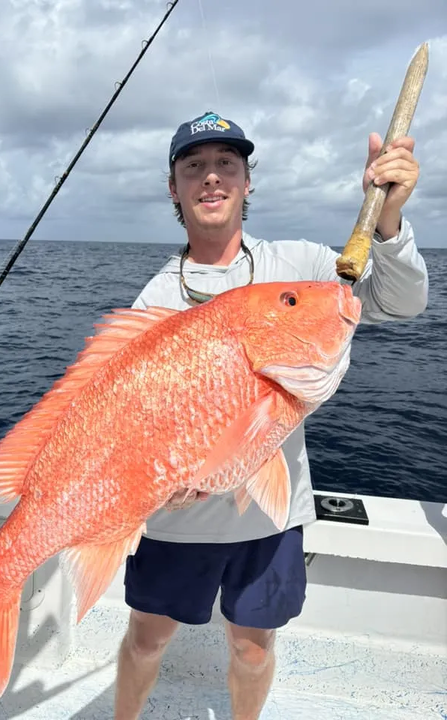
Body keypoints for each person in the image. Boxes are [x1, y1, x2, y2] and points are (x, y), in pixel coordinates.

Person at [113, 111, 428, 720]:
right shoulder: (156, 298)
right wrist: (157, 482)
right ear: (174, 187)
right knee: (147, 640)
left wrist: (387, 218)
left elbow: (400, 302)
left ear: (247, 180)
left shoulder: (300, 266)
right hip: (179, 522)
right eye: (194, 166)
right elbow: (135, 422)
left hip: (270, 515)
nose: (211, 177)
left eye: (226, 163)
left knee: (253, 649)